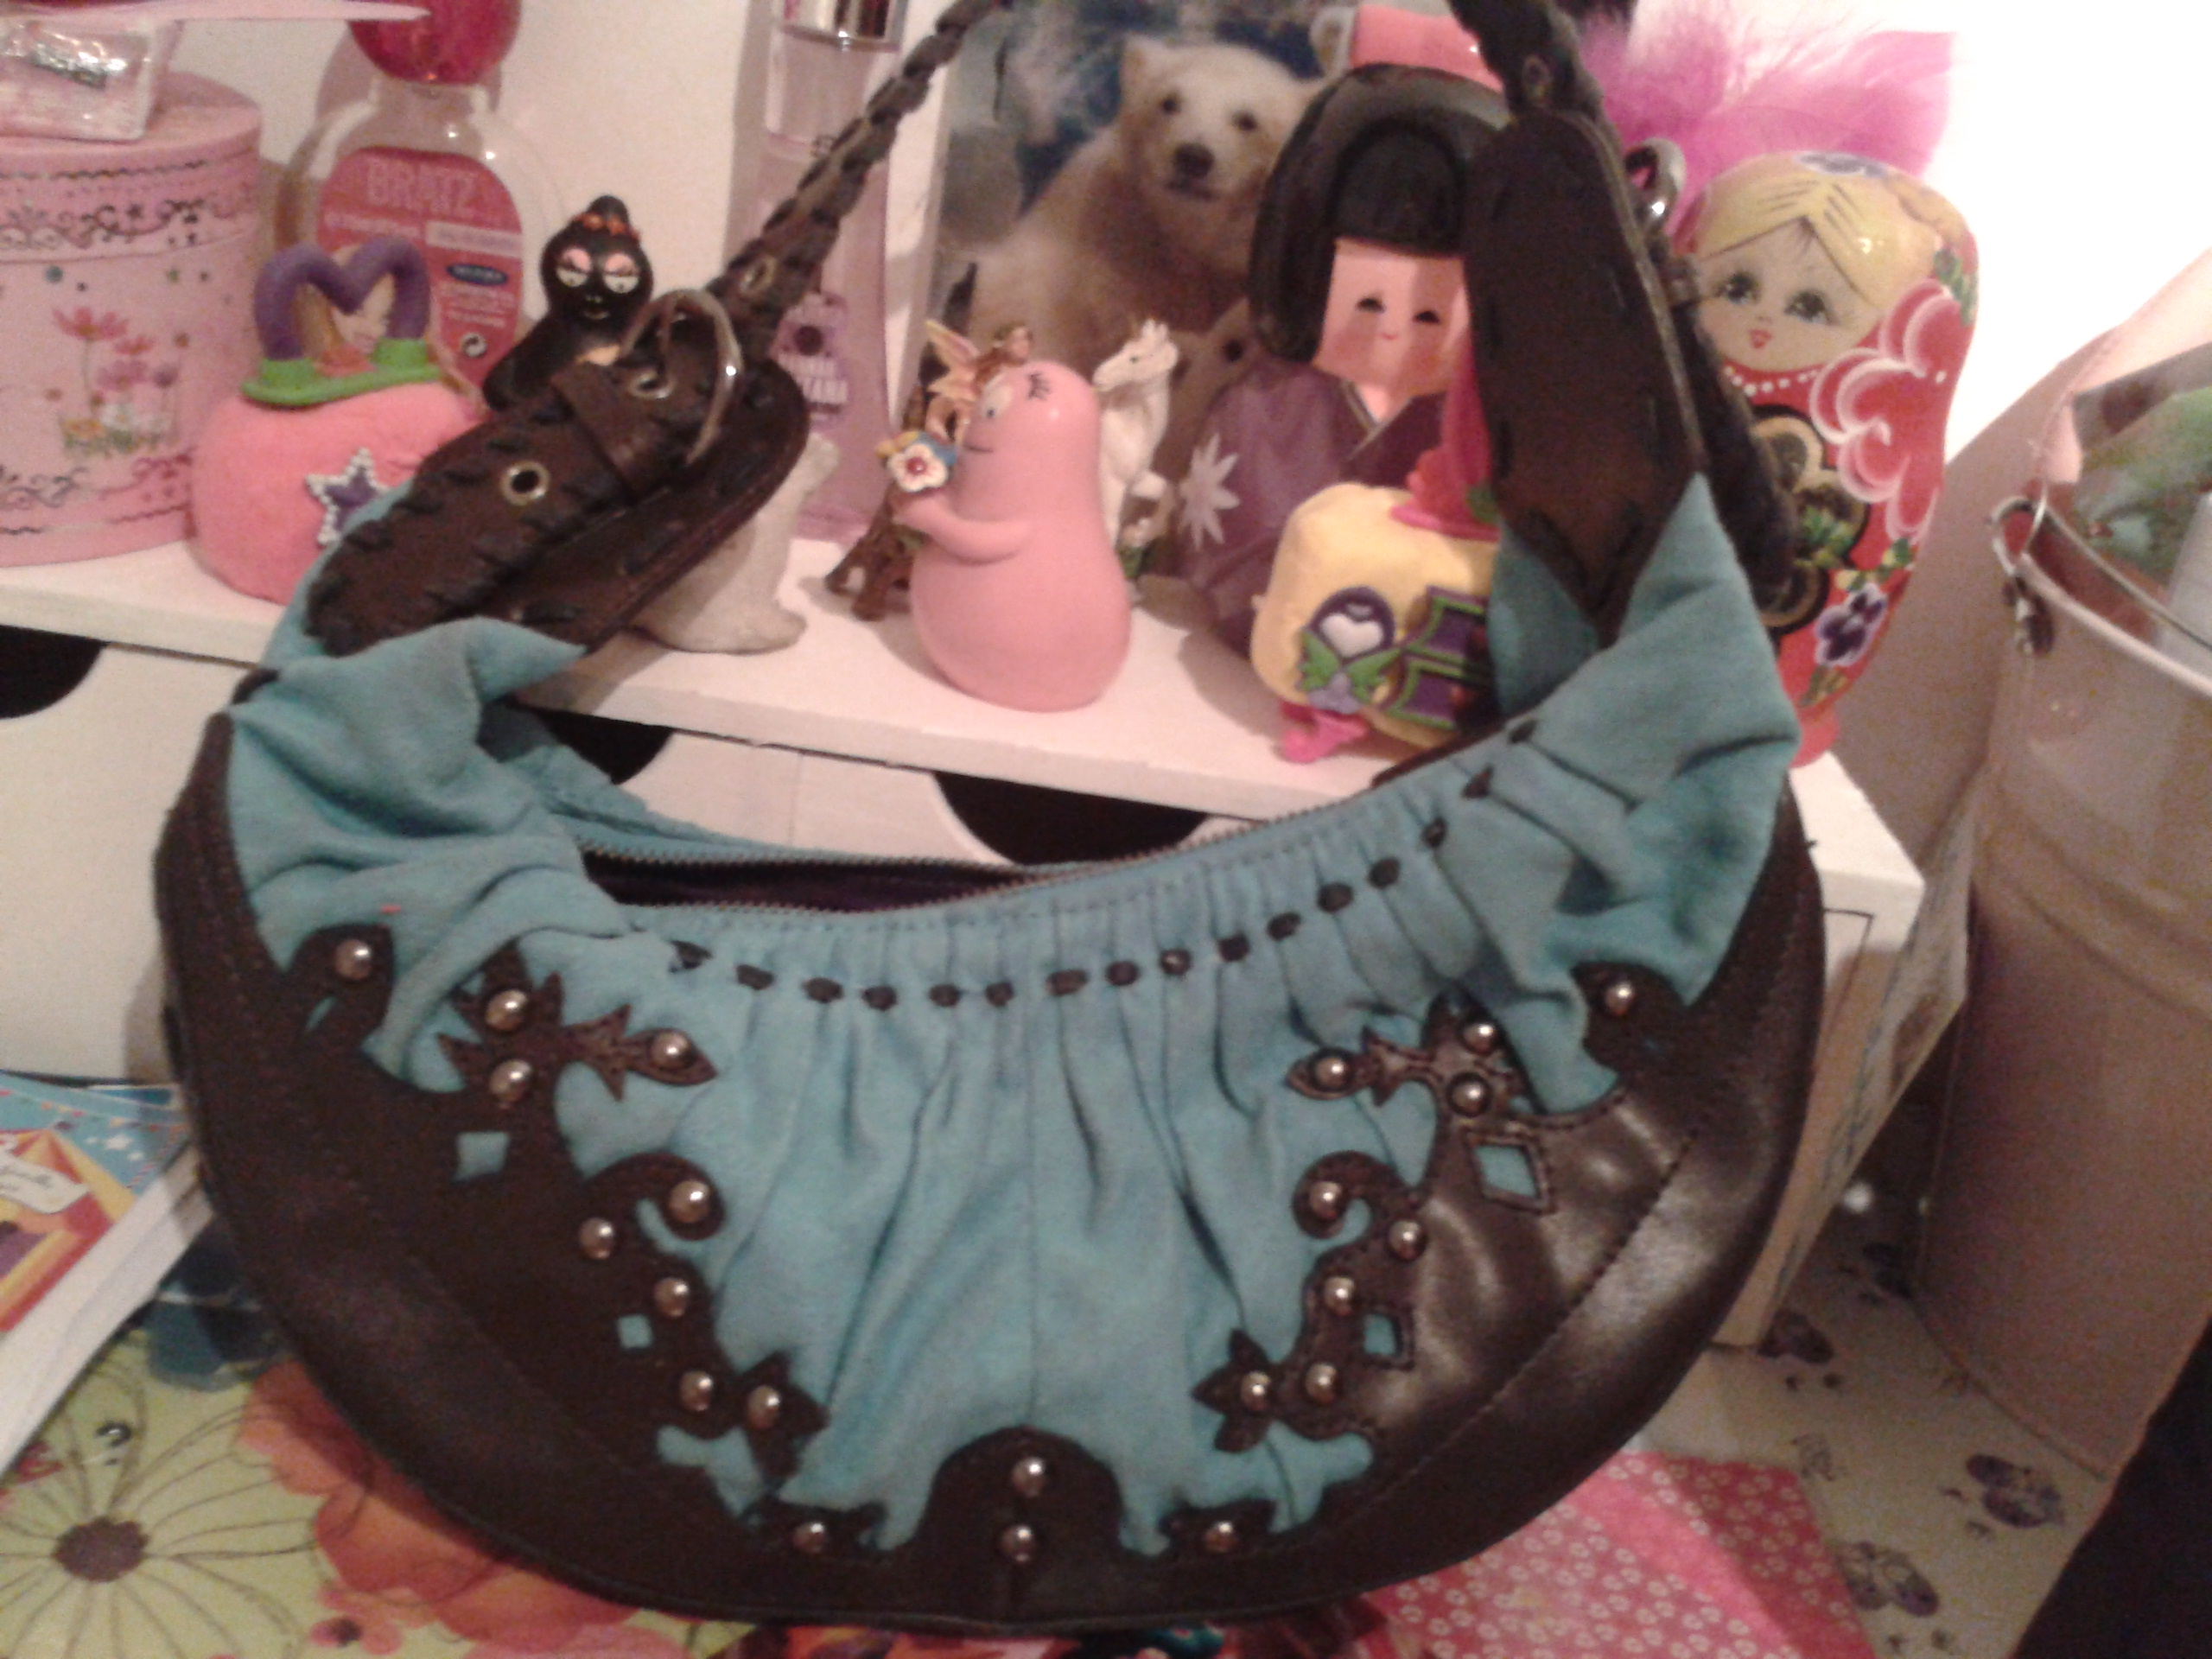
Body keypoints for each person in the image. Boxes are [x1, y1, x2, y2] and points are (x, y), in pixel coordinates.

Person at [1173, 65, 1503, 653]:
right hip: (1248, 626)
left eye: (1432, 316)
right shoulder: (1273, 399)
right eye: (1368, 303)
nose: (1395, 329)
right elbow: (1237, 526)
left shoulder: (1466, 419)